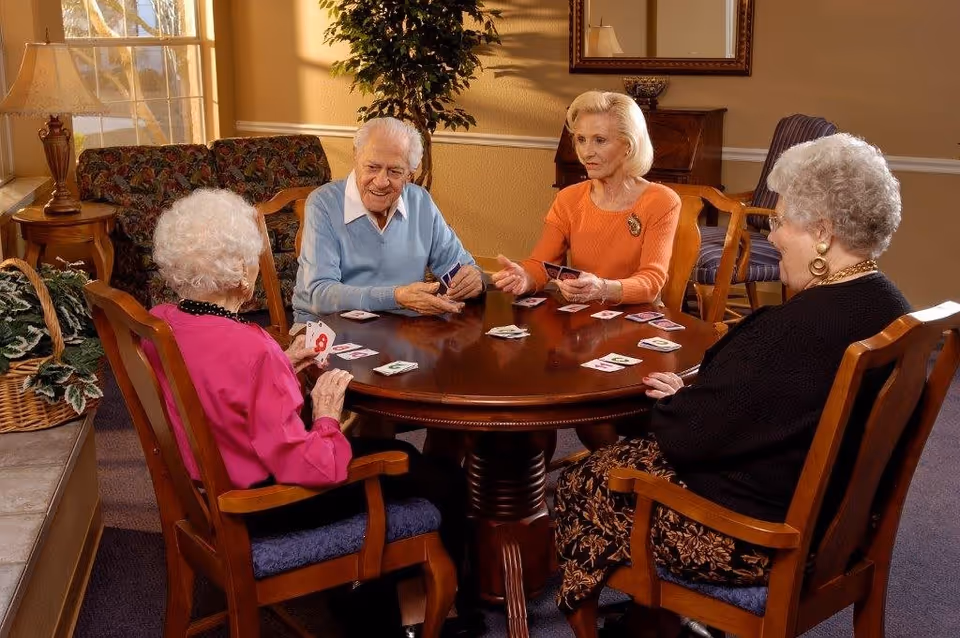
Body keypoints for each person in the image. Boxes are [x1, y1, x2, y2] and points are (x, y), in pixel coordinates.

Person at [553, 133, 911, 623]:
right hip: (837, 523)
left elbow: (690, 438)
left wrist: (681, 403)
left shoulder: (795, 331)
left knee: (584, 481)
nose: (773, 238)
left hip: (760, 540)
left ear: (824, 233)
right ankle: (655, 621)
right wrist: (702, 394)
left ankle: (647, 624)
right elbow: (769, 403)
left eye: (780, 222)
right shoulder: (890, 305)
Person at [147, 190, 470, 633]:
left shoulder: (162, 322)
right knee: (434, 476)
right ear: (240, 272)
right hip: (262, 506)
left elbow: (214, 385)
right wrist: (326, 416)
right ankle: (423, 615)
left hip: (203, 494)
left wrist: (280, 366)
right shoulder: (252, 349)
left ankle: (377, 597)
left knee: (405, 461)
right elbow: (316, 467)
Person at [492, 90, 681, 306]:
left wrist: (603, 288)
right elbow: (541, 264)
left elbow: (651, 282)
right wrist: (525, 277)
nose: (586, 152)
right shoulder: (568, 198)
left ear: (629, 146)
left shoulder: (662, 201)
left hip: (638, 315)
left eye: (600, 140)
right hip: (584, 314)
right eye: (581, 139)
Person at [294, 117, 484, 321]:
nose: (381, 181)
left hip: (403, 327)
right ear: (356, 157)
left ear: (409, 174)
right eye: (372, 167)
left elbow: (458, 267)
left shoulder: (420, 201)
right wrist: (395, 297)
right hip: (328, 327)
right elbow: (320, 295)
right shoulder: (323, 203)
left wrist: (473, 279)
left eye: (394, 171)